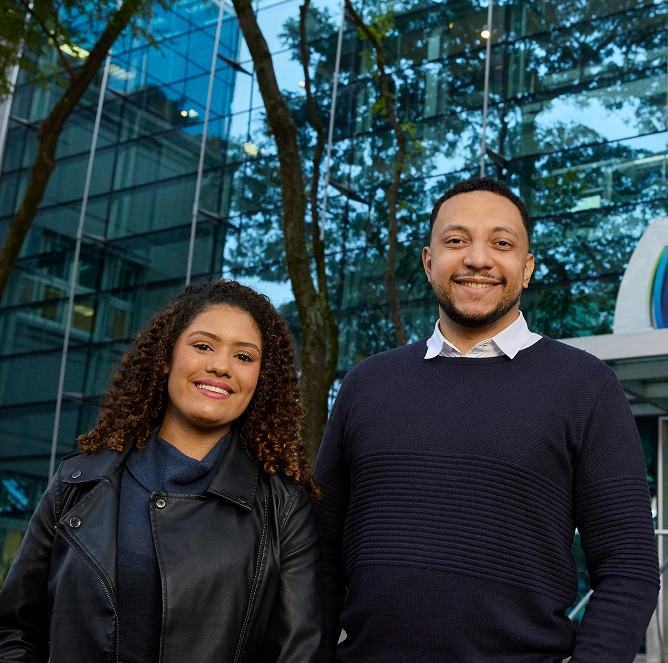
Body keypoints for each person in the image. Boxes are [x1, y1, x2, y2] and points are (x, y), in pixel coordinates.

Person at [313, 177, 659, 663]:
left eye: (502, 243)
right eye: (456, 241)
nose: (478, 259)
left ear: (527, 268)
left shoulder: (586, 386)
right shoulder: (365, 385)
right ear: (429, 261)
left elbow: (629, 568)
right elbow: (319, 557)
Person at [0, 280, 324, 663]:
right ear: (168, 356)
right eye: (203, 346)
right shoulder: (78, 482)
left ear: (261, 379)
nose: (220, 366)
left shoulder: (283, 507)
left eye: (244, 357)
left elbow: (296, 654)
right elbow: (14, 632)